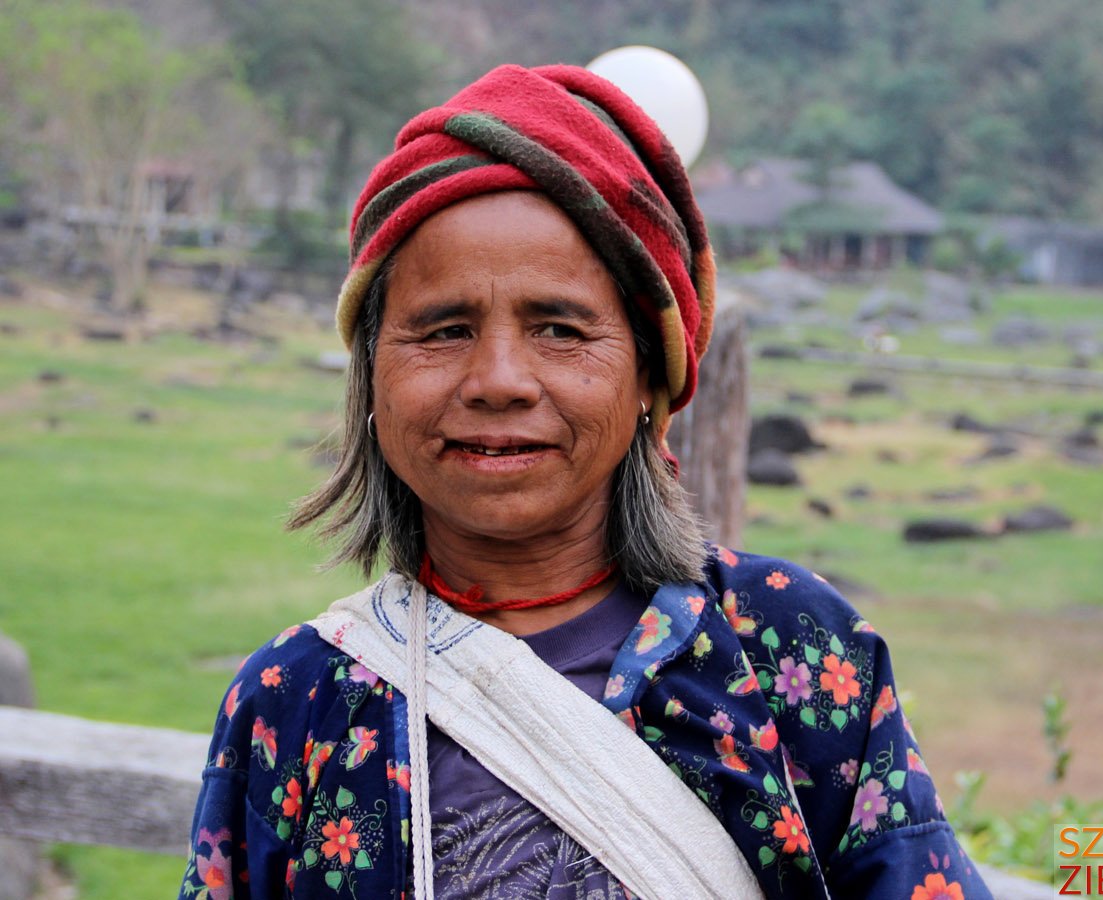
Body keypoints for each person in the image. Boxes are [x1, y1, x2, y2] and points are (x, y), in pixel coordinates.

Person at [179, 63, 991, 900]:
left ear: (651, 374)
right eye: (444, 329)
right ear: (372, 379)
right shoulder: (293, 701)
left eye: (560, 329)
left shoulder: (791, 648)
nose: (498, 379)